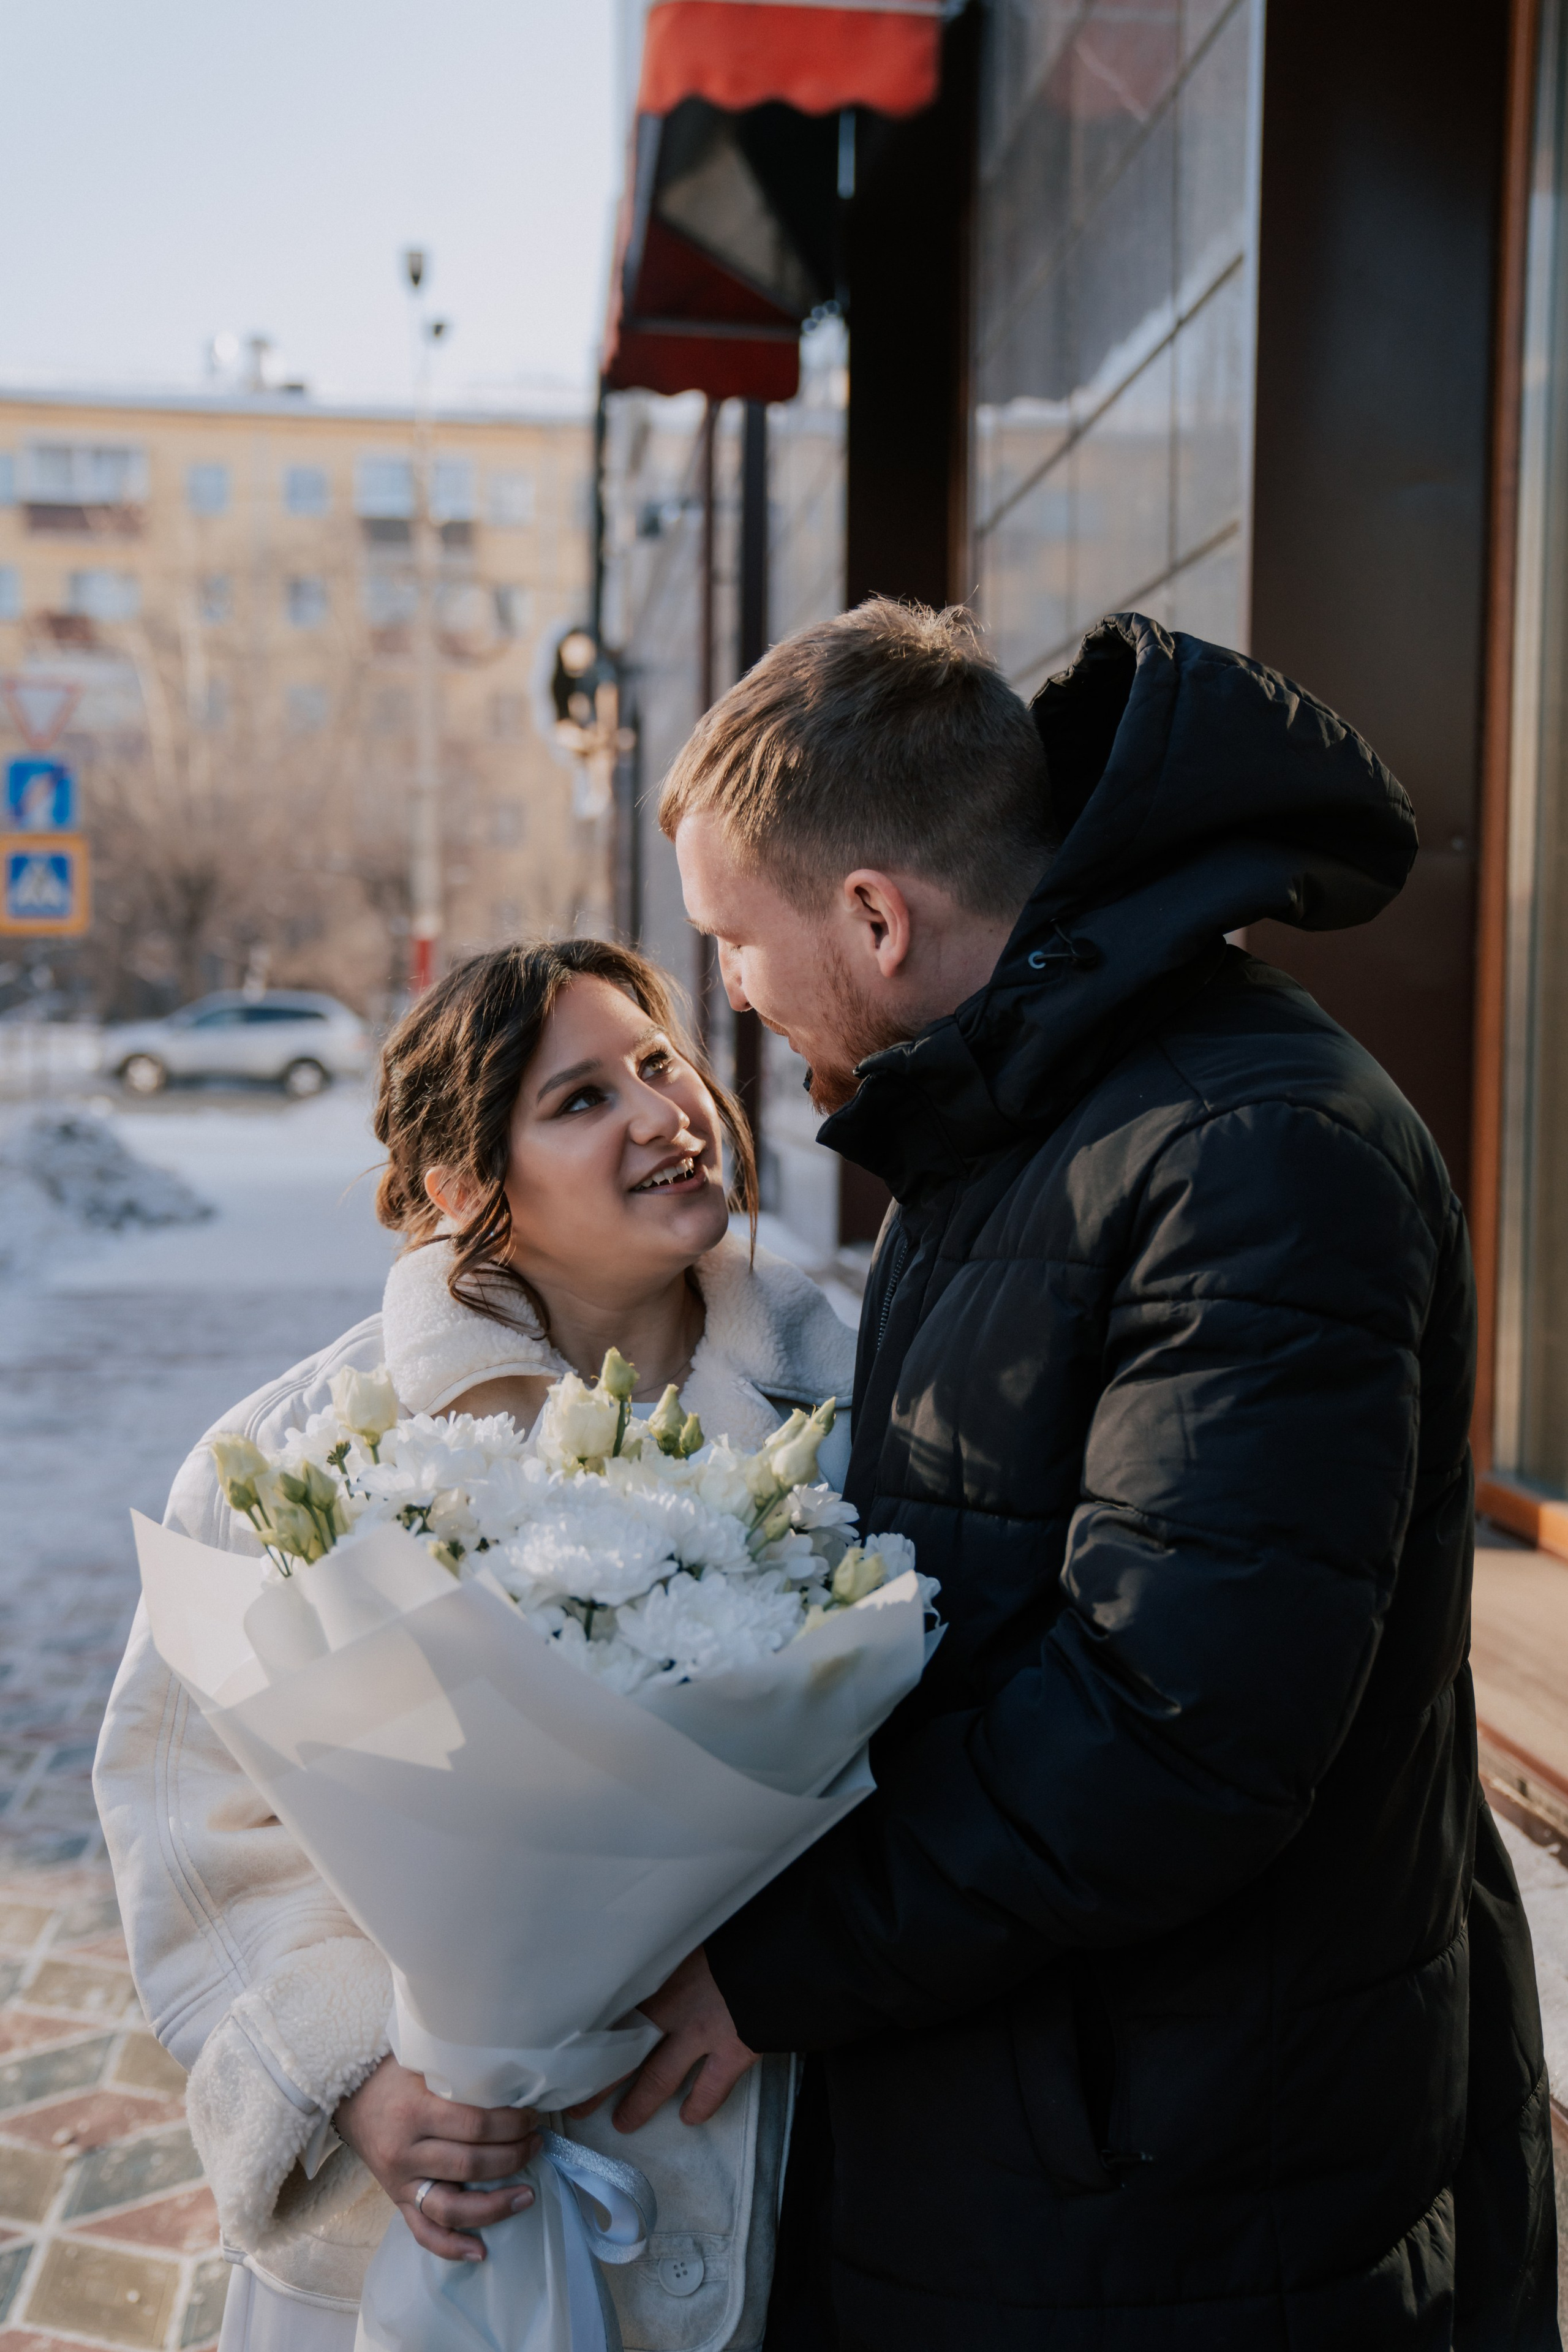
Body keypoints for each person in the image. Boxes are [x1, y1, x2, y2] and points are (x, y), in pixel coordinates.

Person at [605, 602, 1558, 2348]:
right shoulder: (1022, 1122)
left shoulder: (1250, 1156)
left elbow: (1176, 1729)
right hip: (1057, 2134)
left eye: (735, 940)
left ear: (878, 918)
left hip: (1182, 2189)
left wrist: (785, 1965)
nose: (728, 990)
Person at [94, 937, 856, 2352]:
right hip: (420, 2224)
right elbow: (187, 1820)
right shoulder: (302, 1460)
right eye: (578, 1100)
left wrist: (796, 1971)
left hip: (763, 2181)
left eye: (656, 1062)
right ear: (461, 1187)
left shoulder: (853, 1417)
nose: (662, 1113)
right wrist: (358, 2078)